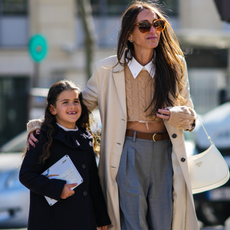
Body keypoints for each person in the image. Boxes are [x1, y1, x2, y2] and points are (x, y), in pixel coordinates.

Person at [26, 1, 199, 230]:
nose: (153, 31)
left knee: (164, 221)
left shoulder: (175, 66)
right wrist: (41, 125)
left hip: (166, 152)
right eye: (144, 26)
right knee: (132, 223)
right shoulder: (107, 70)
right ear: (129, 34)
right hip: (127, 151)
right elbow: (81, 106)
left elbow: (191, 119)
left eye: (158, 24)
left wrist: (178, 114)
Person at [20, 80, 111, 230]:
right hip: (52, 221)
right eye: (65, 102)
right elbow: (26, 175)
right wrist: (58, 189)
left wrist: (101, 218)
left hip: (83, 221)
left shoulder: (85, 138)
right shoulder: (42, 137)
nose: (72, 106)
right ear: (53, 109)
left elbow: (92, 182)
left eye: (76, 101)